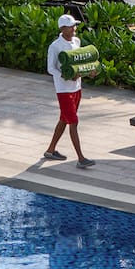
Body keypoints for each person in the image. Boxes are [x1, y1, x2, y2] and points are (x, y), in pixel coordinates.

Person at [44, 13, 94, 168]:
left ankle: (50, 150)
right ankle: (81, 158)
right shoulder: (55, 46)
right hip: (63, 90)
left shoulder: (76, 41)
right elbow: (50, 69)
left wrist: (88, 71)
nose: (75, 28)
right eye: (72, 26)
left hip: (77, 87)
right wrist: (66, 76)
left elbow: (79, 63)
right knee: (73, 121)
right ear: (63, 28)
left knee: (64, 119)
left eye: (74, 25)